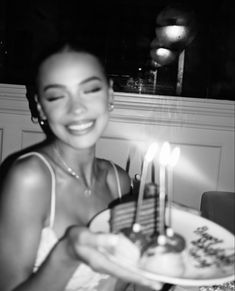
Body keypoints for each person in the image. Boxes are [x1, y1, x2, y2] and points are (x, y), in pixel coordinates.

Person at [0, 41, 163, 291]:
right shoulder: (30, 178)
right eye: (56, 96)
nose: (76, 109)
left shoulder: (119, 182)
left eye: (90, 90)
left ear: (110, 95)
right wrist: (66, 254)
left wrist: (153, 243)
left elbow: (121, 284)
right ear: (41, 107)